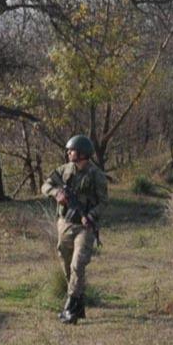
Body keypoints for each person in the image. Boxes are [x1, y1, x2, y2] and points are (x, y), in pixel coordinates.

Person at [41, 135, 108, 324]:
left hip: (85, 227)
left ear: (82, 154)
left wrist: (91, 216)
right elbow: (45, 185)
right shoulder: (63, 170)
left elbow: (104, 202)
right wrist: (56, 194)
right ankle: (79, 304)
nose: (69, 153)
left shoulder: (96, 176)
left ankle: (70, 308)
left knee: (78, 265)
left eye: (72, 150)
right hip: (65, 224)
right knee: (66, 262)